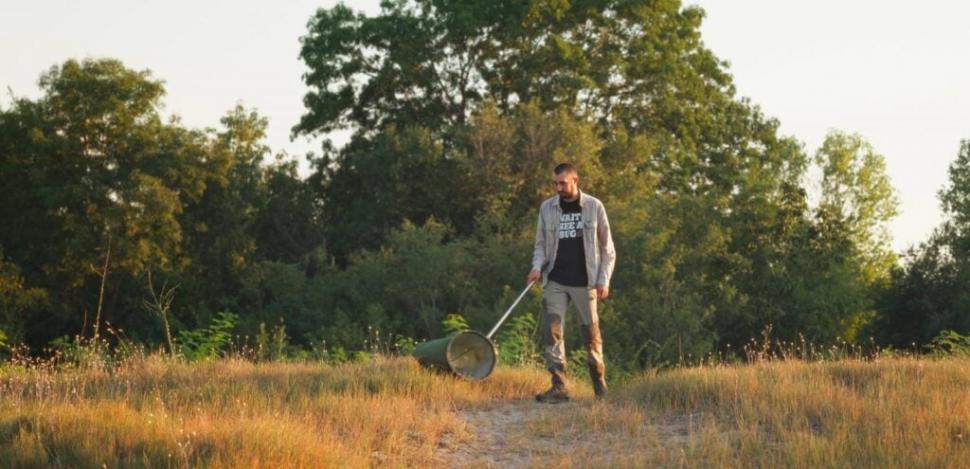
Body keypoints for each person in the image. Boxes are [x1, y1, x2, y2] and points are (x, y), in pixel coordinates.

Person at [528, 163, 615, 403]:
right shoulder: (547, 208)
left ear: (576, 180)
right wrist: (536, 267)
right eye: (555, 183)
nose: (558, 188)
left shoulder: (594, 206)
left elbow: (608, 249)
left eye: (563, 183)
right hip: (555, 279)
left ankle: (599, 386)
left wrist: (604, 280)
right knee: (552, 332)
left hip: (586, 282)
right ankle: (559, 387)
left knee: (591, 334)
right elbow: (540, 245)